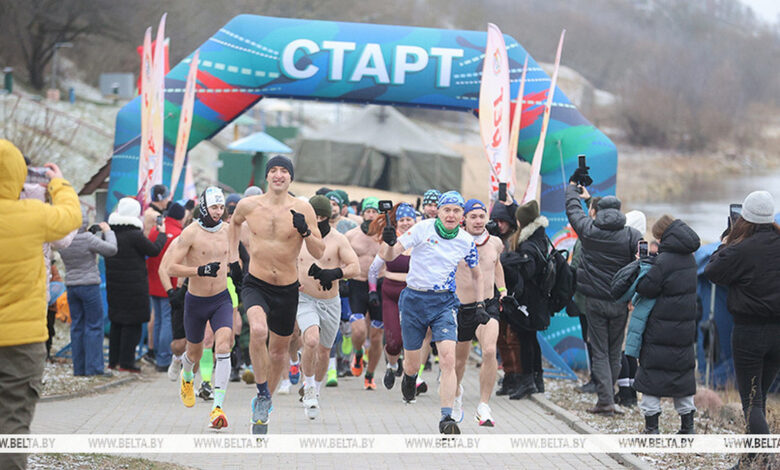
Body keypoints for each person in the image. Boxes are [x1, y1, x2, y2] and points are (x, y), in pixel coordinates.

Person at [0, 140, 81, 470]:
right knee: (13, 423)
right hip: (22, 341)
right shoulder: (32, 216)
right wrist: (58, 183)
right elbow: (71, 217)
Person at [229, 155, 324, 434]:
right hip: (256, 283)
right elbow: (233, 223)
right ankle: (261, 392)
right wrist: (233, 258)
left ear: (291, 178)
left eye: (284, 171)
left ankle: (264, 402)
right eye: (274, 170)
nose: (279, 175)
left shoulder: (303, 208)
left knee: (279, 351)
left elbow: (319, 252)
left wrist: (305, 231)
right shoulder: (249, 205)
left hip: (287, 288)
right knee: (258, 330)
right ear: (267, 176)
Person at [379, 191, 483, 434]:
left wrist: (481, 304)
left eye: (456, 211)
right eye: (447, 210)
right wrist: (389, 242)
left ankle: (447, 417)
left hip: (444, 302)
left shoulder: (466, 241)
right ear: (439, 212)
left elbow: (477, 274)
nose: (451, 215)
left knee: (447, 359)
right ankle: (409, 377)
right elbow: (390, 256)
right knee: (413, 364)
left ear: (462, 216)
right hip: (414, 300)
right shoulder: (422, 229)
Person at [704, 191, 780, 470]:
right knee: (759, 397)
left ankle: (767, 460)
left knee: (751, 402)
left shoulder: (741, 248)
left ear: (745, 217)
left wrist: (726, 242)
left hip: (750, 333)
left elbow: (712, 272)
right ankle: (750, 459)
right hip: (778, 335)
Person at [161, 187, 239, 429]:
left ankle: (218, 407)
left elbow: (239, 255)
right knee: (193, 353)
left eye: (221, 207)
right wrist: (199, 270)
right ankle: (186, 376)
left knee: (224, 345)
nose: (218, 212)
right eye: (214, 207)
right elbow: (170, 267)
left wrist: (240, 272)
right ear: (204, 207)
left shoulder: (228, 230)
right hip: (195, 301)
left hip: (221, 299)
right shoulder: (190, 233)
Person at [565, 178, 641, 416]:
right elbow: (643, 267)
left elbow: (573, 211)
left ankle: (605, 400)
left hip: (594, 302)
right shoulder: (632, 235)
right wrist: (634, 296)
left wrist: (572, 189)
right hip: (620, 302)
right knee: (614, 351)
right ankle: (610, 398)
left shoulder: (589, 230)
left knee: (599, 351)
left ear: (598, 211)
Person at [631, 215, 700, 434]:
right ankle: (687, 427)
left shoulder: (665, 260)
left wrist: (643, 265)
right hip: (684, 330)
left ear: (663, 235)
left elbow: (646, 288)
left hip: (660, 329)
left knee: (651, 376)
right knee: (682, 376)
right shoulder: (690, 259)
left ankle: (652, 429)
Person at [297, 195, 360, 418]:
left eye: (322, 217)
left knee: (324, 351)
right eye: (314, 216)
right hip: (304, 299)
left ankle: (316, 390)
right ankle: (308, 387)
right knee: (311, 340)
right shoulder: (298, 238)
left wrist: (335, 273)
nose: (318, 220)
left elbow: (355, 267)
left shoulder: (338, 239)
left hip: (330, 302)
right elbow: (284, 261)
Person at [453, 199, 505, 426]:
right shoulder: (455, 242)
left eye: (481, 216)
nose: (477, 220)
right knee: (458, 361)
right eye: (472, 216)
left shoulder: (495, 242)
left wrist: (503, 290)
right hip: (462, 306)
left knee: (490, 350)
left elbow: (496, 265)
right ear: (464, 219)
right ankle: (456, 395)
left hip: (488, 305)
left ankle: (484, 405)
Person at [105, 197, 167, 372]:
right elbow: (153, 250)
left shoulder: (110, 233)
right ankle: (126, 363)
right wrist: (161, 234)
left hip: (114, 286)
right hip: (134, 287)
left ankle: (113, 361)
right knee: (132, 325)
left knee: (117, 323)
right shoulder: (134, 235)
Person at [58, 206, 118, 376]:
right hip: (89, 285)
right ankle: (94, 368)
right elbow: (111, 249)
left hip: (71, 286)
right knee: (94, 326)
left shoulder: (63, 240)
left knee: (77, 326)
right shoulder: (87, 239)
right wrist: (108, 231)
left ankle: (79, 368)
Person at [502, 200, 552, 400]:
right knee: (531, 339)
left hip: (529, 300)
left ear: (522, 222)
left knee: (525, 339)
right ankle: (537, 381)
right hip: (537, 299)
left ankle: (527, 382)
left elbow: (528, 272)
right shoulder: (540, 237)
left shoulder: (529, 244)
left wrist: (510, 262)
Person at [367, 203, 418, 389]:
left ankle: (412, 377)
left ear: (415, 221)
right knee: (394, 341)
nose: (405, 223)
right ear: (397, 223)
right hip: (391, 293)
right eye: (402, 220)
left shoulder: (421, 241)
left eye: (409, 219)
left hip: (414, 294)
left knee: (412, 339)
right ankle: (392, 365)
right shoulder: (390, 241)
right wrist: (373, 291)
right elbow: (373, 269)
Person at [344, 197, 384, 389]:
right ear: (362, 213)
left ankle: (370, 375)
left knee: (376, 336)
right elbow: (340, 257)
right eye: (368, 211)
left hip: (380, 285)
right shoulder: (351, 235)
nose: (371, 215)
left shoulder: (386, 236)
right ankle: (359, 353)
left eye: (374, 212)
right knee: (359, 330)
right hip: (357, 285)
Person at [146, 202, 185, 372]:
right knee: (168, 321)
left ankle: (157, 355)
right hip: (169, 284)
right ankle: (164, 358)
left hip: (154, 282)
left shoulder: (156, 231)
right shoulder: (179, 235)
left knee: (158, 320)